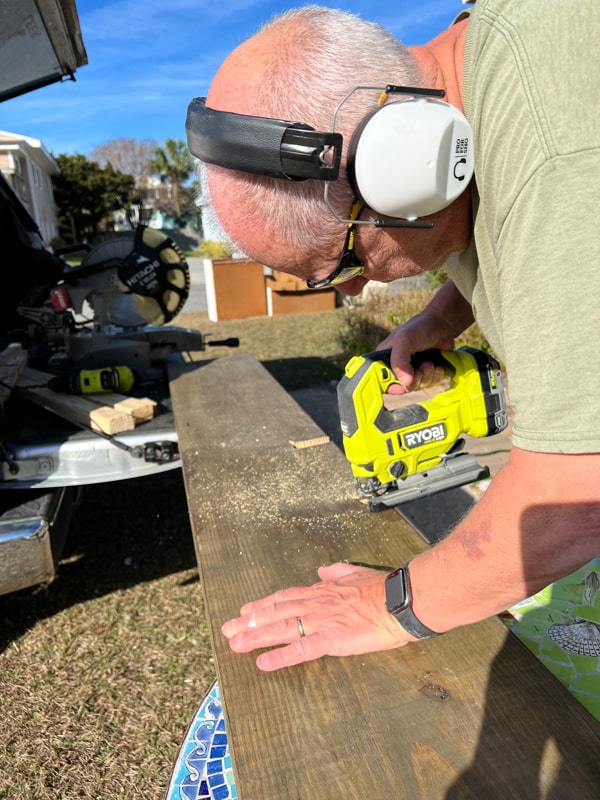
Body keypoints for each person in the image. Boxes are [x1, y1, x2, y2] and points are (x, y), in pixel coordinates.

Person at [186, 0, 600, 702]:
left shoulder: (562, 156)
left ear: (406, 165)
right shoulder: (477, 92)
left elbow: (576, 494)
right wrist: (439, 319)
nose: (350, 290)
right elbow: (534, 249)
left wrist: (390, 606)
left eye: (341, 262)